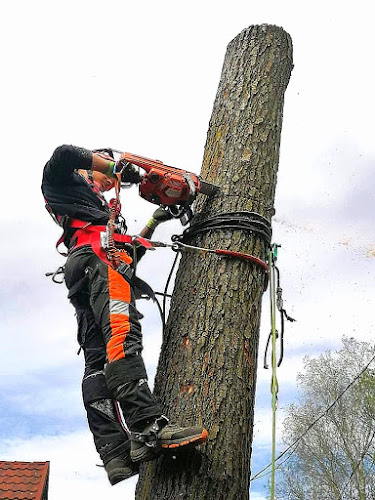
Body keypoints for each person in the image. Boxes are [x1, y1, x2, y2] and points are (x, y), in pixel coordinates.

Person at [42, 145, 208, 485]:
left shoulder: (86, 209)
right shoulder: (62, 180)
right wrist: (117, 167)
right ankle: (148, 426)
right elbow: (63, 153)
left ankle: (114, 452)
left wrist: (152, 222)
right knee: (122, 334)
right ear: (90, 168)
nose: (107, 184)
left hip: (87, 266)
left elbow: (125, 253)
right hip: (96, 260)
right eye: (101, 176)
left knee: (96, 361)